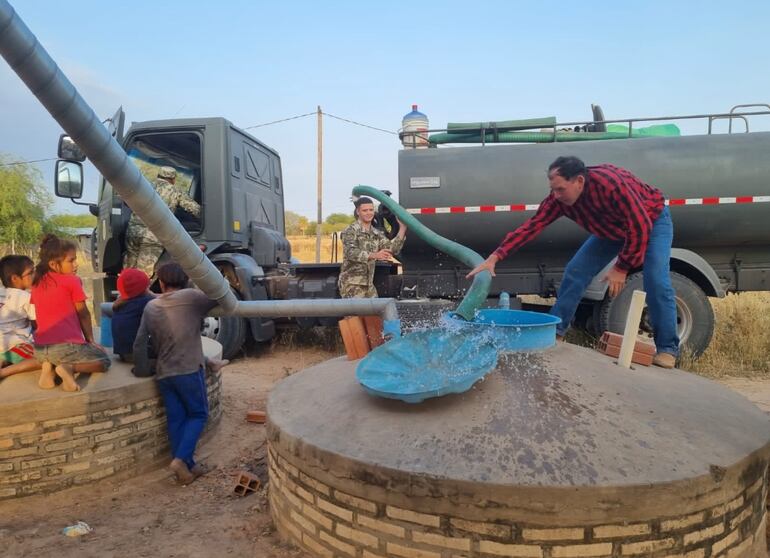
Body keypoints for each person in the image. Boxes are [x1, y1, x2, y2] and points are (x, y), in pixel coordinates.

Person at [467, 156, 680, 369]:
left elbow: (640, 226)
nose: (556, 195)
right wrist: (495, 257)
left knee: (656, 279)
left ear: (579, 181)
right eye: (553, 190)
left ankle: (667, 349)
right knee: (576, 271)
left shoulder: (610, 184)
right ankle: (556, 333)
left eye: (560, 189)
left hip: (651, 221)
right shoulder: (558, 201)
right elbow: (531, 227)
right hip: (610, 231)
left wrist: (622, 267)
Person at [132, 262, 217, 484]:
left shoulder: (151, 306)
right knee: (199, 414)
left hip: (164, 372)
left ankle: (188, 468)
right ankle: (180, 460)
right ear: (185, 279)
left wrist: (141, 370)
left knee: (176, 418)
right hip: (188, 369)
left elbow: (139, 343)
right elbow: (219, 293)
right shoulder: (192, 297)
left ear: (161, 282)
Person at [31, 235, 111, 391]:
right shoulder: (72, 281)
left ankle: (48, 367)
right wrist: (91, 341)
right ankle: (69, 368)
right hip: (65, 347)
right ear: (53, 264)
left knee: (53, 355)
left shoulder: (36, 281)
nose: (76, 264)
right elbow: (84, 314)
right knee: (104, 361)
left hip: (40, 348)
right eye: (71, 261)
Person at [124, 166, 201, 280]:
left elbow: (127, 202)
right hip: (154, 235)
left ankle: (125, 292)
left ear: (158, 175)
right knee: (144, 274)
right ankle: (141, 296)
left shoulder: (145, 186)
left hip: (134, 232)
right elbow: (195, 209)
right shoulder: (175, 191)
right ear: (173, 179)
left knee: (129, 268)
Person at [338, 197, 407, 298]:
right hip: (352, 285)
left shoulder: (376, 233)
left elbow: (392, 249)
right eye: (365, 210)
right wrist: (375, 255)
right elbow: (350, 252)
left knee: (376, 313)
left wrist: (402, 228)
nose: (368, 213)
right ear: (358, 212)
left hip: (369, 286)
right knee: (355, 314)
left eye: (371, 210)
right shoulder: (350, 231)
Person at [0, 255, 41, 379]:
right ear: (15, 278)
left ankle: (4, 360)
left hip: (3, 341)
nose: (35, 275)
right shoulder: (25, 297)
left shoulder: (2, 292)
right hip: (13, 343)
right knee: (48, 357)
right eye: (30, 272)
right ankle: (4, 372)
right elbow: (38, 325)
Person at [111, 268, 154, 363]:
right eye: (147, 286)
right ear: (142, 289)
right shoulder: (144, 301)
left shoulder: (121, 301)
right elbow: (163, 300)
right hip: (135, 354)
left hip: (123, 353)